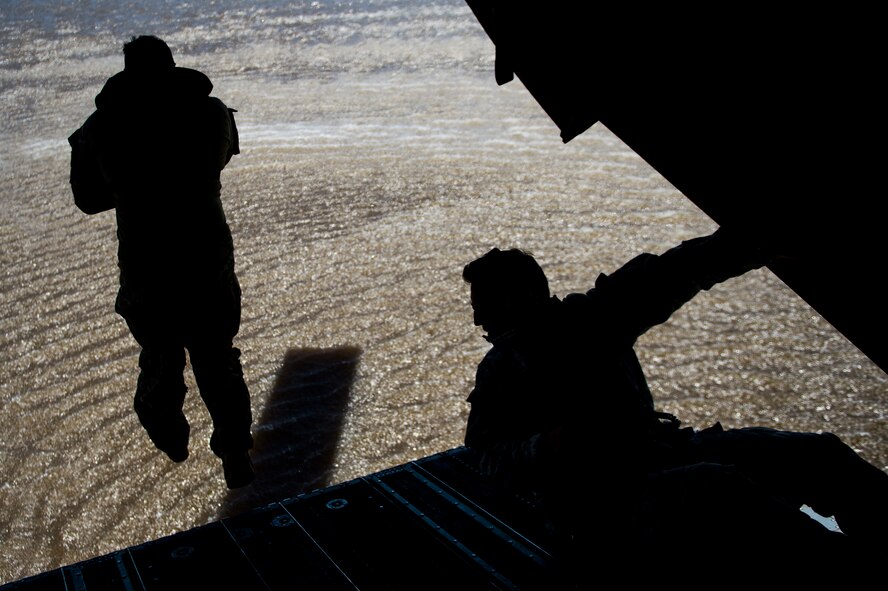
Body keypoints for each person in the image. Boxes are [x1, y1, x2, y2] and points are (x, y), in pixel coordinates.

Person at [461, 229, 888, 576]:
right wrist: (549, 444)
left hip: (659, 458)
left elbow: (673, 272)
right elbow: (483, 455)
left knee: (816, 455)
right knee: (719, 488)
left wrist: (748, 244)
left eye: (483, 307)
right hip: (597, 509)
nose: (479, 321)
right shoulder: (501, 370)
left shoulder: (595, 319)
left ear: (518, 299)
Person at [68, 35, 254, 489]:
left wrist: (133, 188)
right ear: (172, 66)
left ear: (128, 71)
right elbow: (224, 155)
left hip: (146, 265)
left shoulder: (101, 128)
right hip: (206, 257)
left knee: (160, 356)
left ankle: (168, 430)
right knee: (216, 356)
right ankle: (234, 449)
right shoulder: (211, 114)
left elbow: (87, 200)